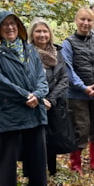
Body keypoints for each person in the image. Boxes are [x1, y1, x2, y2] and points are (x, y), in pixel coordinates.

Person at [0, 11, 48, 186]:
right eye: (5, 25)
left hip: (33, 107)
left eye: (13, 24)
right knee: (7, 155)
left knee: (37, 151)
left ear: (19, 26)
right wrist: (24, 96)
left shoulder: (29, 49)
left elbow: (41, 77)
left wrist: (37, 94)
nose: (10, 28)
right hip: (6, 110)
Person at [61, 7, 94, 172]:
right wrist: (83, 87)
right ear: (76, 20)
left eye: (89, 20)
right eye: (82, 19)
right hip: (78, 95)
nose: (85, 23)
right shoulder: (68, 43)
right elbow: (67, 68)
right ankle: (76, 163)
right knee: (80, 128)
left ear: (93, 22)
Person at [29, 18, 74, 176]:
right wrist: (41, 98)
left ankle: (52, 170)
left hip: (54, 102)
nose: (42, 35)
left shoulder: (57, 52)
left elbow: (64, 78)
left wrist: (52, 99)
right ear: (32, 34)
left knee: (53, 137)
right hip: (35, 101)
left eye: (45, 31)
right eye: (38, 31)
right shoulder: (27, 53)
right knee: (35, 139)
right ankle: (35, 172)